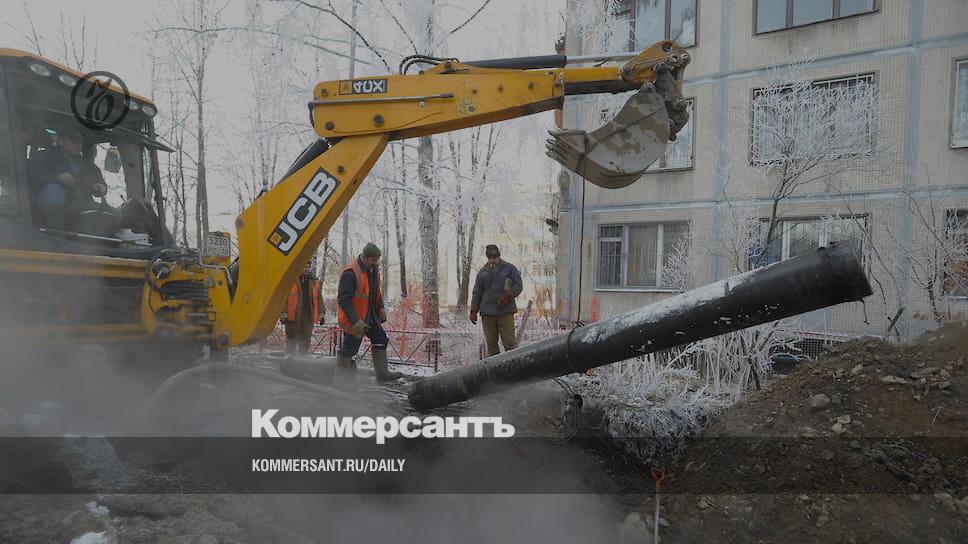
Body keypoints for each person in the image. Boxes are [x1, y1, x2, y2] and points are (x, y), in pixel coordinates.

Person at [335, 243, 402, 384]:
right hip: (355, 319)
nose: (376, 263)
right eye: (373, 260)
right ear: (364, 258)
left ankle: (382, 374)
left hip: (371, 316)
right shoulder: (350, 273)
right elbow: (343, 300)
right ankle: (341, 382)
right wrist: (355, 321)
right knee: (349, 350)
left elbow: (376, 293)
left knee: (381, 340)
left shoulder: (373, 271)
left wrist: (381, 308)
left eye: (377, 260)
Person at [27, 128, 115, 231]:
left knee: (116, 213)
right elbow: (32, 176)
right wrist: (56, 177)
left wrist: (102, 187)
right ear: (61, 141)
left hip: (83, 209)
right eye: (74, 139)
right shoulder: (43, 157)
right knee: (54, 189)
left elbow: (100, 183)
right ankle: (55, 232)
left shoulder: (90, 166)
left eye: (81, 140)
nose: (79, 144)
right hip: (44, 213)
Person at [470, 244, 523, 357]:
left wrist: (508, 295)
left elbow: (518, 285)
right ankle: (495, 368)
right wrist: (474, 310)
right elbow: (477, 292)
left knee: (510, 344)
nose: (492, 260)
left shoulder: (509, 269)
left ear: (499, 256)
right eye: (490, 258)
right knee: (491, 347)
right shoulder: (482, 273)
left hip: (505, 312)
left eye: (494, 257)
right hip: (487, 313)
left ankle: (513, 367)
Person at [281, 255, 325, 354]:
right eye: (304, 266)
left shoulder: (314, 281)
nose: (306, 269)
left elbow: (319, 298)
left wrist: (321, 314)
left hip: (308, 316)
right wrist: (283, 313)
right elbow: (283, 298)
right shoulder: (290, 280)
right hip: (293, 317)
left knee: (305, 341)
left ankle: (303, 361)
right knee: (291, 341)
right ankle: (289, 362)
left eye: (308, 267)